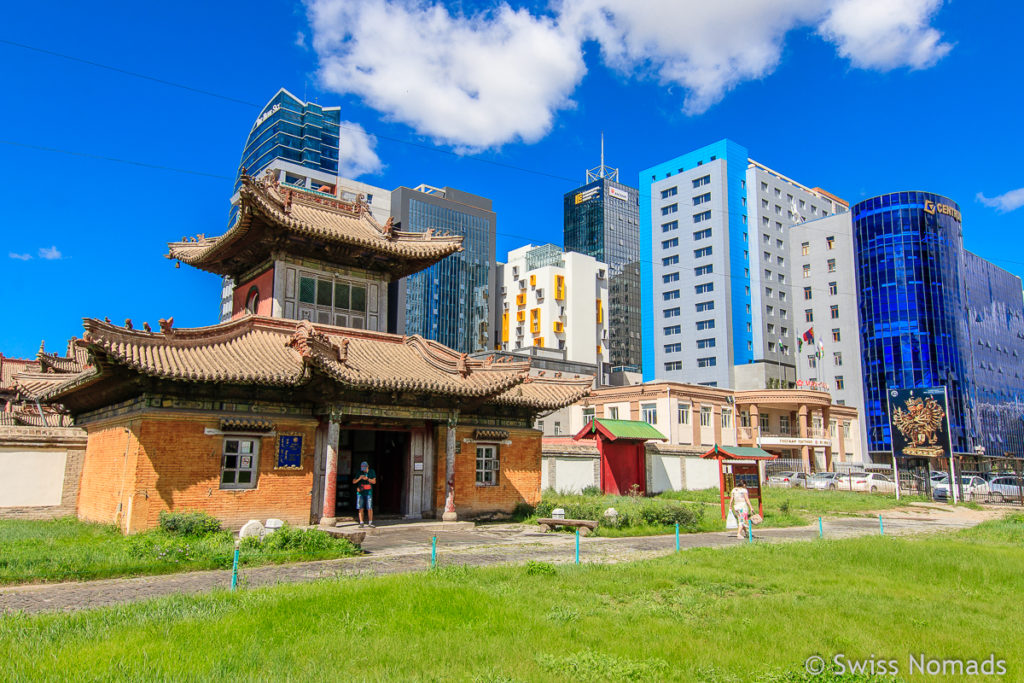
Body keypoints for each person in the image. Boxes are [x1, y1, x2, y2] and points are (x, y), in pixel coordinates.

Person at [353, 461, 376, 528]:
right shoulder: (359, 473)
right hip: (360, 492)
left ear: (367, 467)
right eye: (363, 469)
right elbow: (354, 481)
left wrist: (367, 479)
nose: (364, 470)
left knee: (369, 507)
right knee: (360, 507)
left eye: (365, 469)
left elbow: (374, 482)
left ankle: (370, 522)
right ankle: (361, 522)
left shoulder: (371, 472)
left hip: (368, 492)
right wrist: (359, 478)